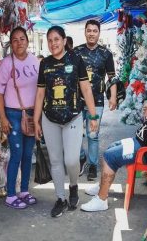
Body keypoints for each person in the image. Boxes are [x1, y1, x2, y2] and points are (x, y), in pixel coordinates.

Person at [80, 74, 147, 212]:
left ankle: (102, 199)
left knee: (110, 156)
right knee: (111, 147)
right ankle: (103, 184)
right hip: (140, 142)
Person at [33, 26, 99, 217]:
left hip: (73, 116)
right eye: (50, 40)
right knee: (55, 160)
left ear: (63, 40)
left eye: (56, 39)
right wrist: (36, 121)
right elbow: (39, 94)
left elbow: (86, 90)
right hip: (50, 118)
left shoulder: (76, 59)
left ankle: (73, 186)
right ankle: (60, 198)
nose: (53, 43)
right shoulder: (44, 63)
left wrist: (93, 116)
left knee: (71, 160)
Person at [0, 27, 40, 209]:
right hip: (12, 114)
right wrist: (3, 118)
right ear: (10, 44)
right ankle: (11, 194)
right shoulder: (5, 64)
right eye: (15, 40)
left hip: (30, 114)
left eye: (22, 39)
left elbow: (40, 89)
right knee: (17, 154)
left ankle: (25, 191)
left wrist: (38, 117)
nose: (19, 43)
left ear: (27, 41)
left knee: (28, 155)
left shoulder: (35, 61)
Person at [73, 19, 117, 181]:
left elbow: (112, 77)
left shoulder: (106, 54)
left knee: (93, 134)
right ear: (85, 32)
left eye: (94, 31)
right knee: (75, 134)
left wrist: (113, 96)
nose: (91, 33)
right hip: (77, 101)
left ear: (99, 33)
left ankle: (92, 165)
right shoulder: (76, 52)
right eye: (89, 30)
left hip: (97, 101)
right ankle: (81, 157)